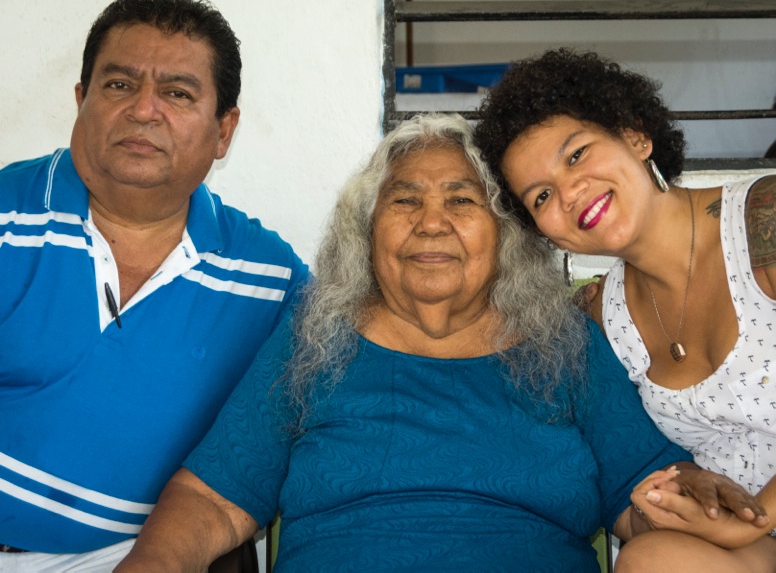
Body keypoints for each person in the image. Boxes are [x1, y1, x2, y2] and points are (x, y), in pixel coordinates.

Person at [113, 114, 766, 573]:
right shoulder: (315, 337)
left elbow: (644, 492)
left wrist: (677, 505)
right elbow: (212, 495)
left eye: (461, 201)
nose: (432, 223)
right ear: (366, 231)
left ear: (504, 234)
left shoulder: (563, 341)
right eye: (404, 201)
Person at [0, 0, 307, 569]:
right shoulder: (7, 218)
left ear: (224, 130)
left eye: (177, 93)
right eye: (119, 84)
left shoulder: (270, 281)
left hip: (132, 557)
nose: (143, 110)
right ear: (81, 100)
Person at [475, 48, 776, 571]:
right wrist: (669, 496)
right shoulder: (600, 318)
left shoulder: (762, 223)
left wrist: (752, 519)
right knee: (649, 558)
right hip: (748, 540)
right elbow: (635, 457)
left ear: (636, 136)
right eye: (541, 196)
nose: (570, 193)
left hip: (751, 526)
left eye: (576, 155)